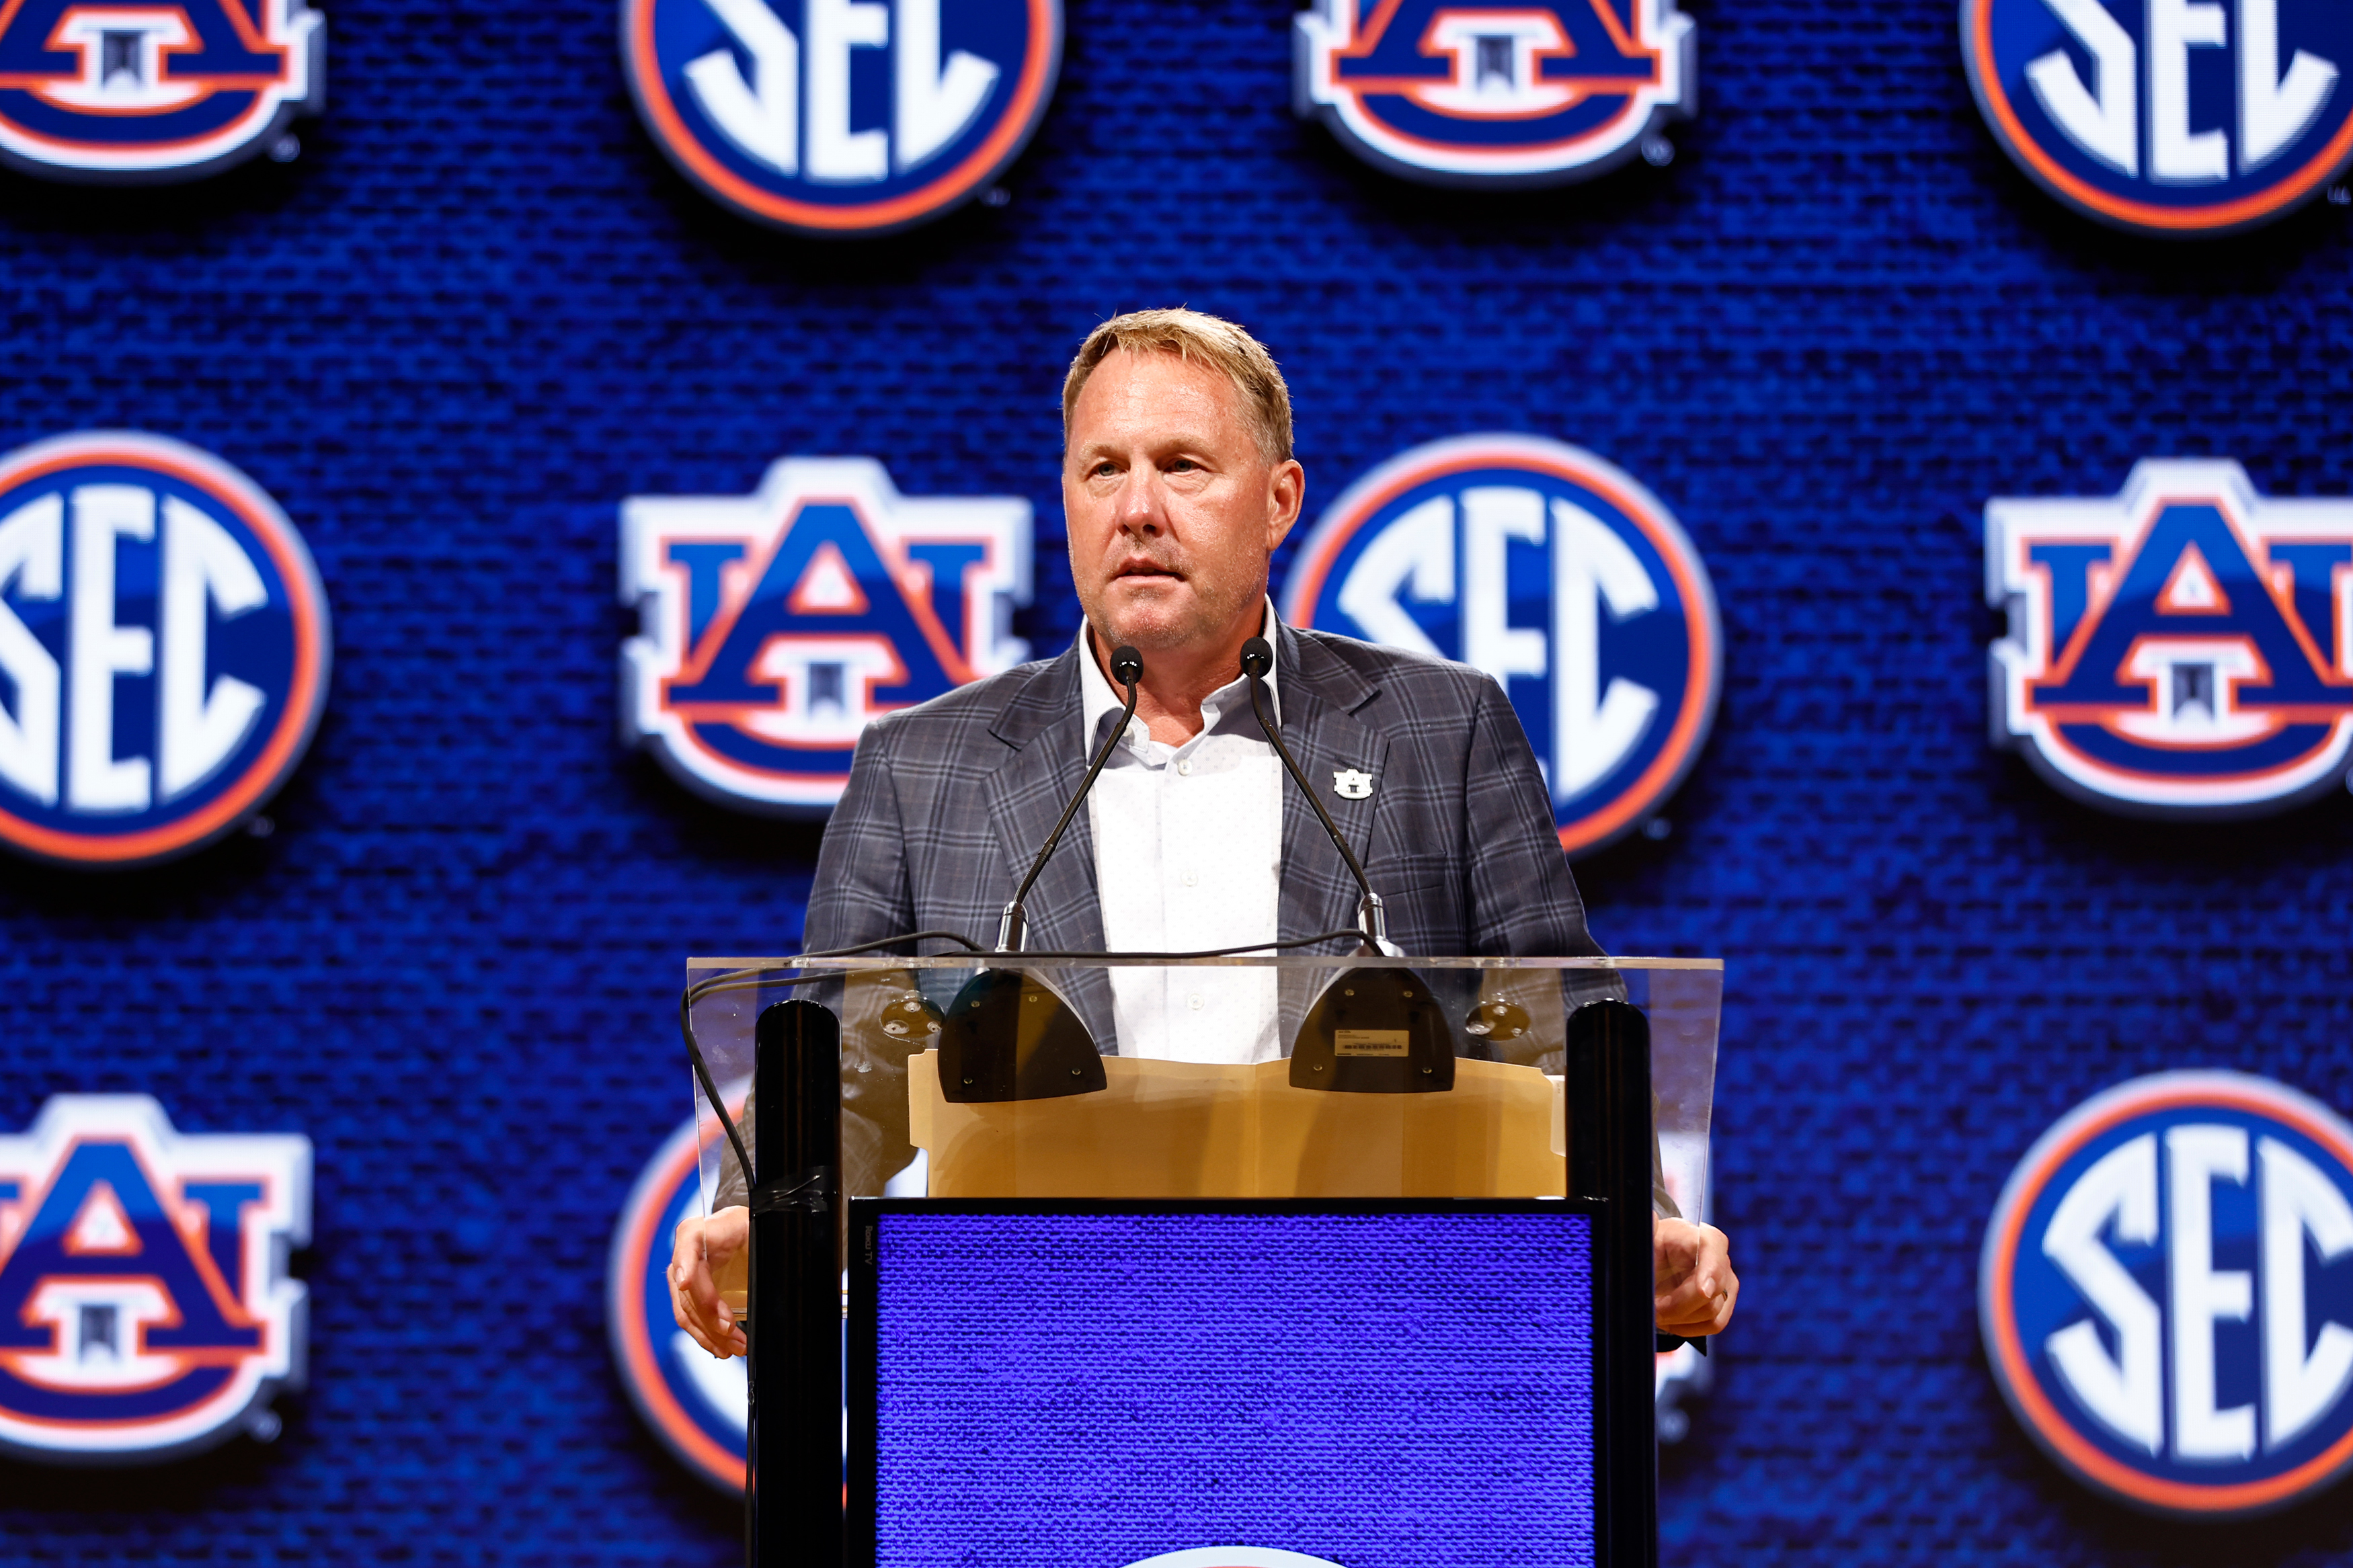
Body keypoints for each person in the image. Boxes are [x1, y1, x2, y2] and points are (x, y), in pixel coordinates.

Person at [671, 308, 1737, 1356]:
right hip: (1042, 1362)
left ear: (1279, 501)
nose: (1137, 509)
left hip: (1374, 1347)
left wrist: (1639, 1224)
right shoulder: (923, 765)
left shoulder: (1439, 729)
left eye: (1182, 466)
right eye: (1103, 469)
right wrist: (762, 1213)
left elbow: (1559, 1026)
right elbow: (845, 1068)